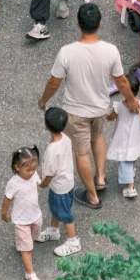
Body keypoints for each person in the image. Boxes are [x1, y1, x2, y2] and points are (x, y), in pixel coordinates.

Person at [37, 1, 140, 207]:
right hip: (100, 108)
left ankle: (92, 196)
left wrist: (43, 100)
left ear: (78, 23)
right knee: (98, 136)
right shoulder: (111, 51)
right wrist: (131, 100)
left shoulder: (67, 52)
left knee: (81, 152)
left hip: (75, 113)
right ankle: (100, 178)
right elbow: (121, 81)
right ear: (100, 24)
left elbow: (54, 82)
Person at [2, 147, 48, 280]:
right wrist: (4, 213)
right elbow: (7, 199)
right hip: (21, 220)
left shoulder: (33, 175)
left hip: (35, 215)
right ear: (17, 168)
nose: (31, 172)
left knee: (35, 235)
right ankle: (30, 273)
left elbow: (41, 183)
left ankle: (21, 243)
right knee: (27, 248)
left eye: (34, 169)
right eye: (28, 170)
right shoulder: (13, 183)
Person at [40, 106, 82, 256]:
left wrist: (42, 183)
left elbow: (50, 173)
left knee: (64, 213)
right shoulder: (65, 139)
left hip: (59, 187)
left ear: (46, 125)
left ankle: (73, 241)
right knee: (55, 208)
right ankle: (53, 229)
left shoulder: (52, 150)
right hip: (66, 183)